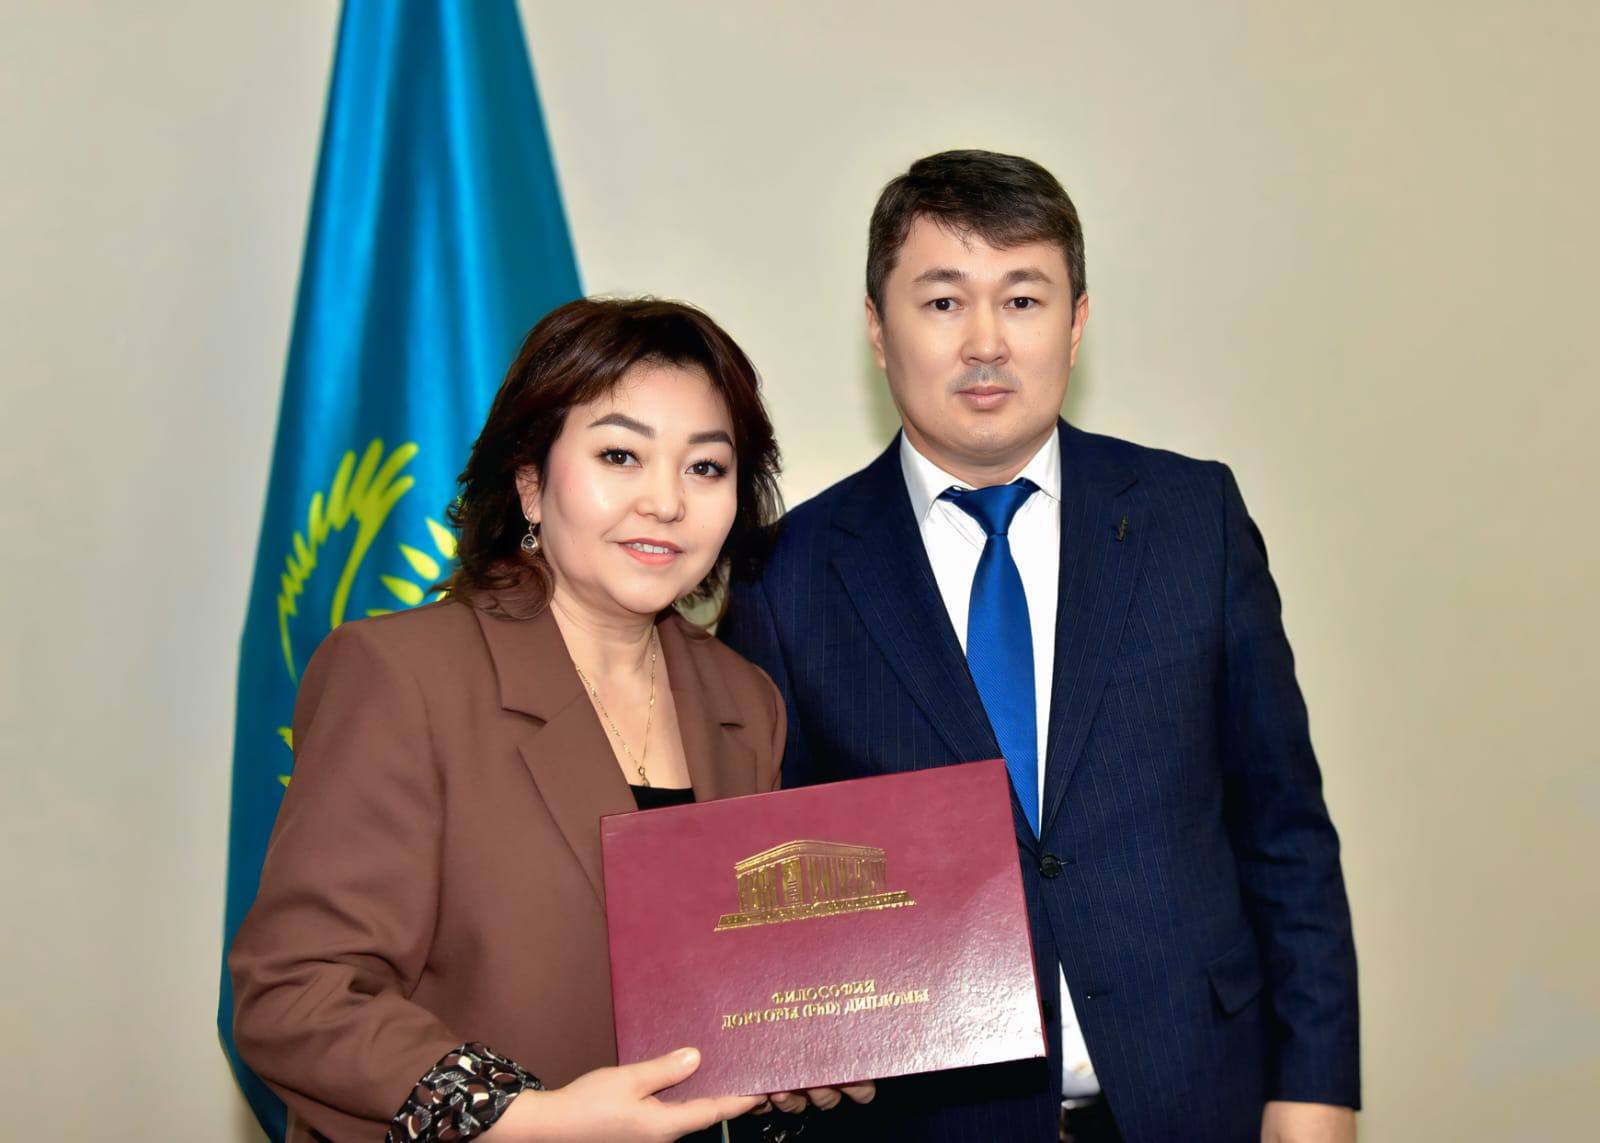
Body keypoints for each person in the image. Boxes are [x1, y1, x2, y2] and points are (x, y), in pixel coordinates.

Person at [718, 151, 1360, 1143]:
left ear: (1076, 321)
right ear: (878, 329)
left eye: (1022, 299)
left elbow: (1284, 829)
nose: (986, 343)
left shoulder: (1194, 520)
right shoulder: (786, 573)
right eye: (943, 302)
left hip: (1200, 1099)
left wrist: (1317, 1089)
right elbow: (772, 890)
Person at [231, 297, 871, 1142]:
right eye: (620, 455)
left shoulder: (745, 700)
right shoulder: (401, 674)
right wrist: (524, 1119)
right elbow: (295, 991)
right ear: (531, 482)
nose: (666, 501)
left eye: (705, 467)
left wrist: (802, 1043)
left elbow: (727, 986)